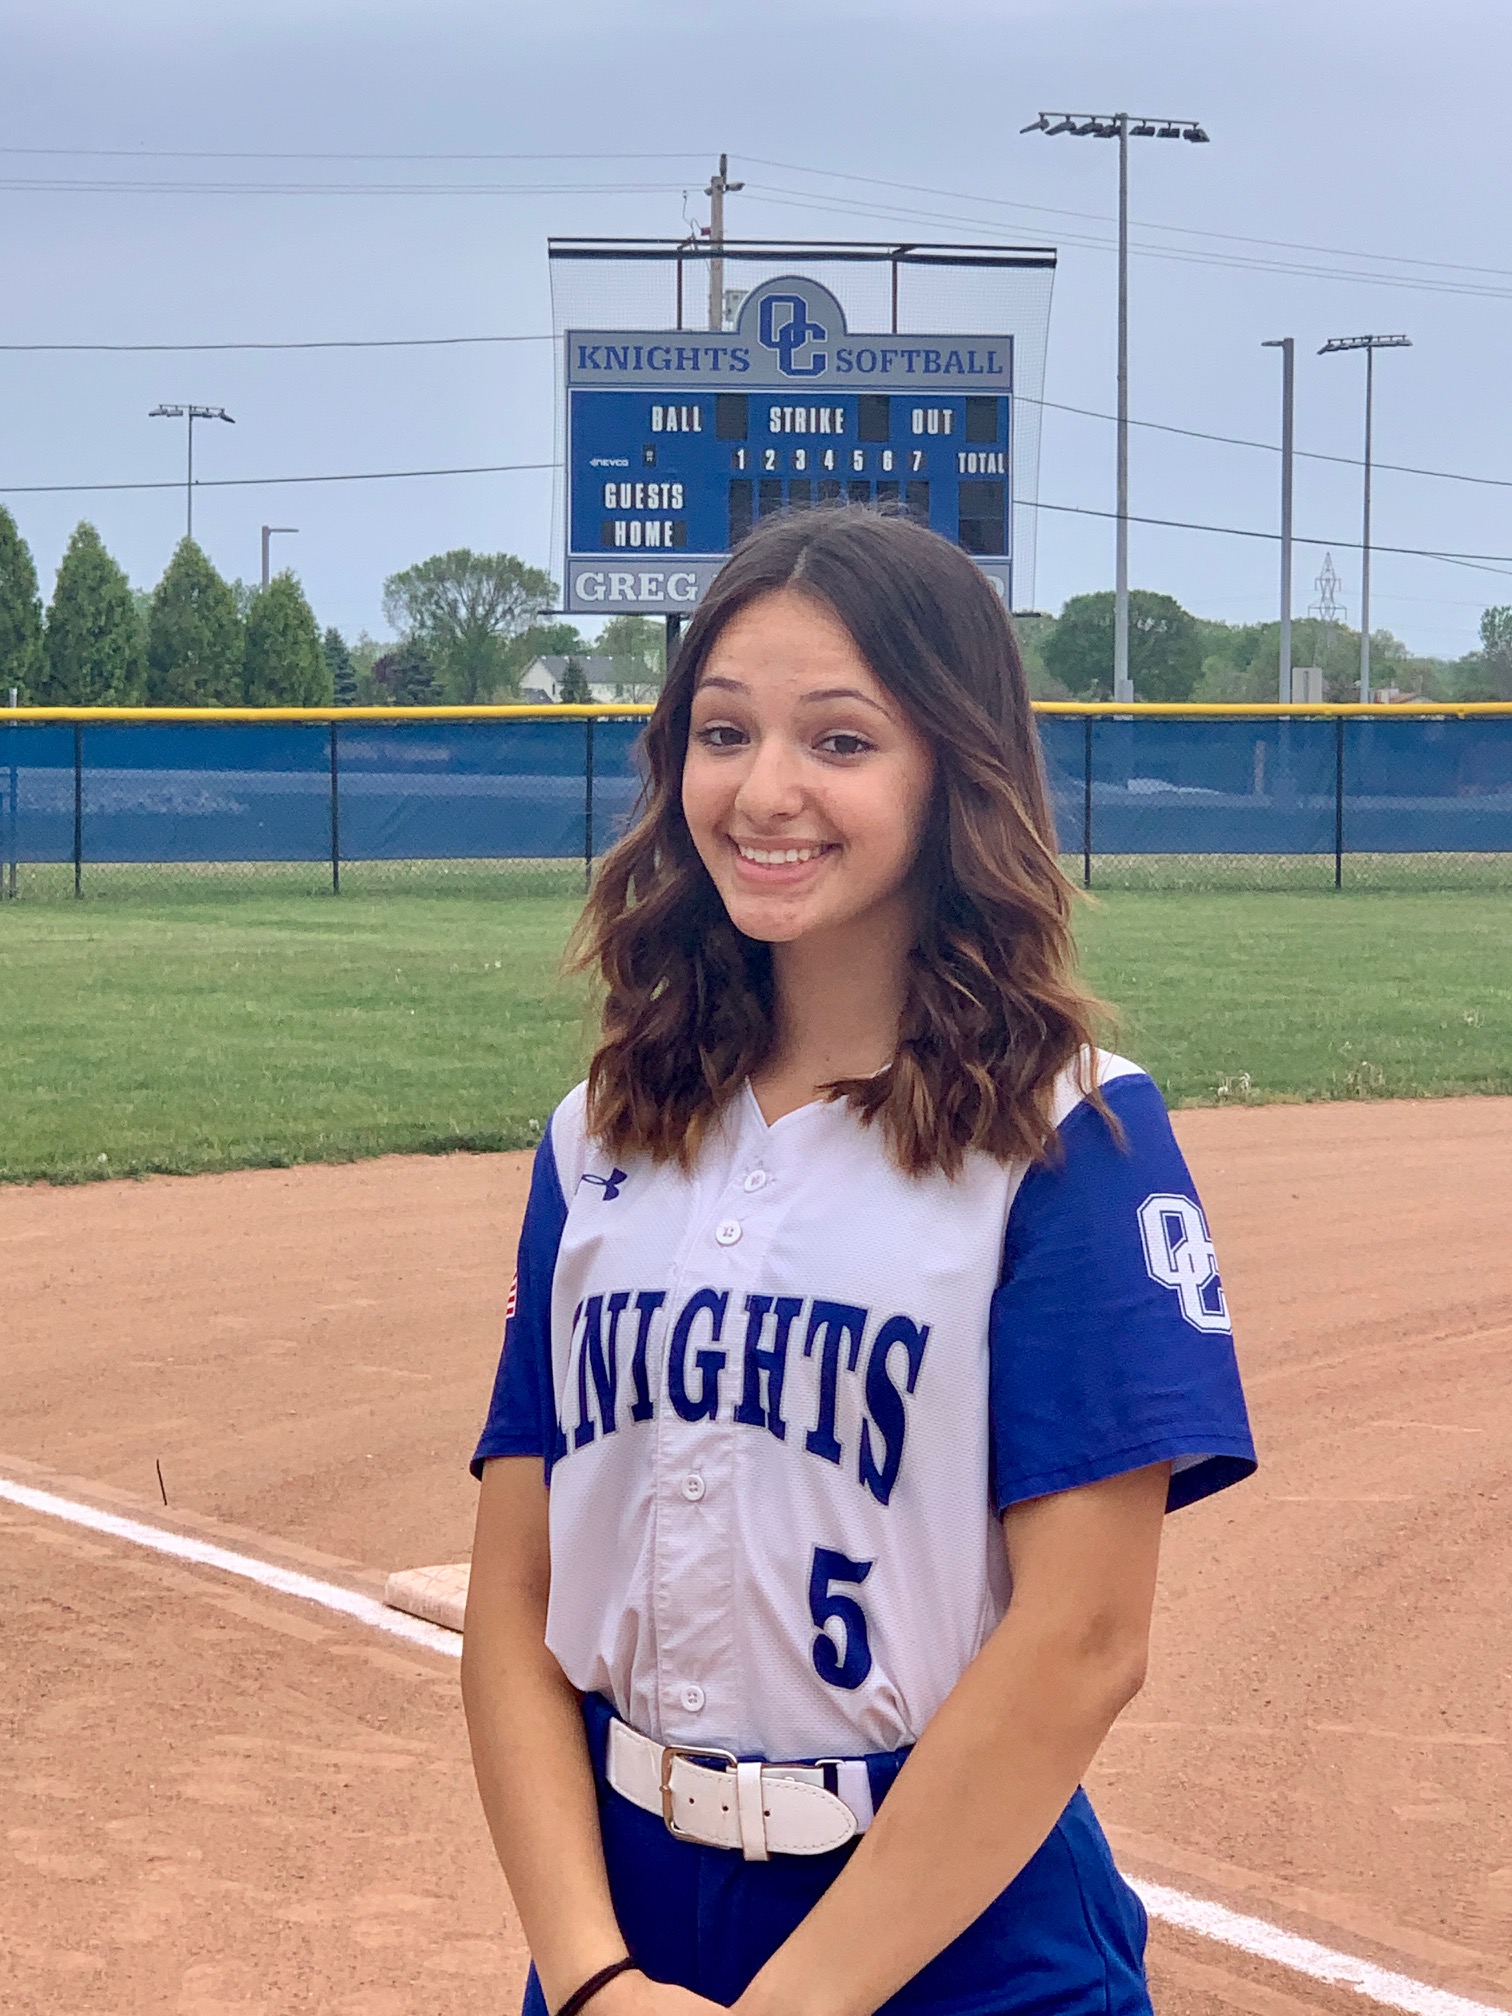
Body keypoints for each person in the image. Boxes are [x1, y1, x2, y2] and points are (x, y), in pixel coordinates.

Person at [463, 507, 1255, 2016]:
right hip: (625, 1918)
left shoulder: (1068, 1138)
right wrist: (584, 1977)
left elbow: (1085, 1640)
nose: (765, 790)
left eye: (840, 740)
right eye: (722, 731)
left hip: (953, 1929)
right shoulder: (599, 1135)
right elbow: (516, 1597)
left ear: (954, 768)